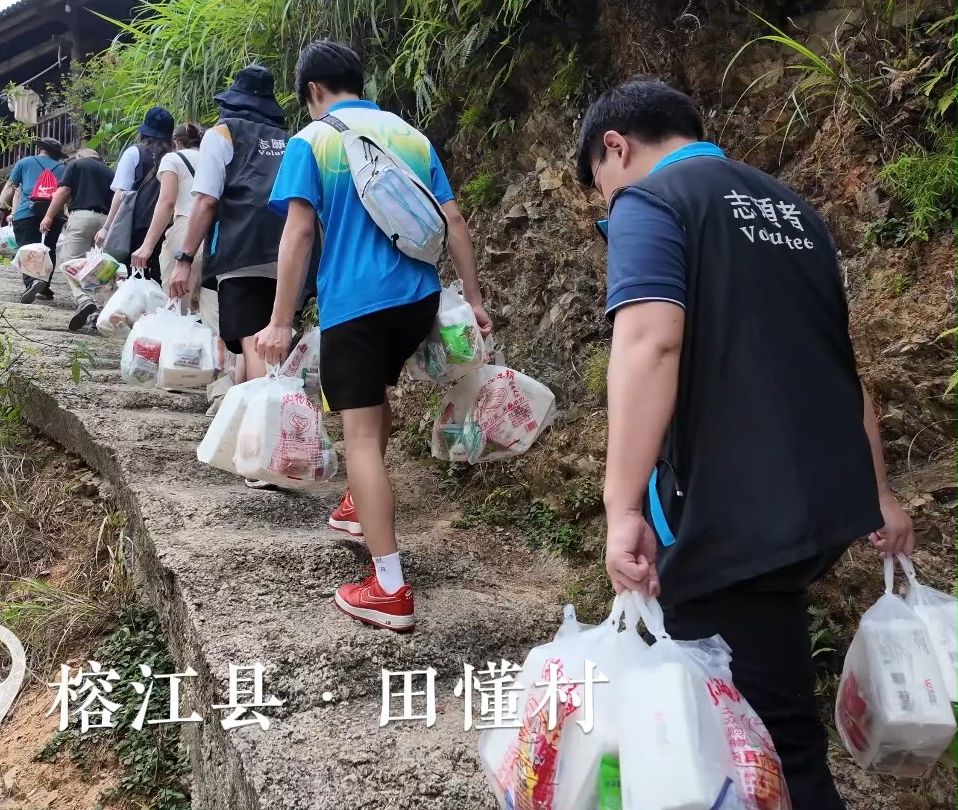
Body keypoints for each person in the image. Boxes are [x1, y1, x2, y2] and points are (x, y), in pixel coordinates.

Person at [575, 78, 915, 809]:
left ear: (616, 147)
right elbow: (838, 362)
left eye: (601, 191)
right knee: (771, 710)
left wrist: (620, 505)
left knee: (742, 741)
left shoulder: (653, 201)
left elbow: (649, 342)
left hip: (728, 509)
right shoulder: (796, 212)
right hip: (812, 505)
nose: (608, 207)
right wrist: (879, 491)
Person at [254, 41, 492, 633]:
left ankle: (388, 587)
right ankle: (364, 503)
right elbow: (454, 220)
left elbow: (300, 233)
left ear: (311, 90)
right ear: (359, 81)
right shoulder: (409, 135)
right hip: (417, 301)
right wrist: (476, 299)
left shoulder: (312, 140)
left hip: (355, 304)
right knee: (374, 407)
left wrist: (281, 320)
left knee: (358, 433)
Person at [170, 66, 315, 456]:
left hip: (243, 247)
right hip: (294, 251)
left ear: (233, 99)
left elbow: (206, 200)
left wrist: (185, 258)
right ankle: (259, 440)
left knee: (255, 344)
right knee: (274, 343)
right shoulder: (291, 140)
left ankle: (266, 452)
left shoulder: (223, 134)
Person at [94, 106, 175, 283]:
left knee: (136, 274)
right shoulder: (176, 156)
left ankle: (137, 309)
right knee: (160, 276)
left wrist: (107, 227)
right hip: (169, 225)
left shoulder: (134, 153)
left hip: (138, 224)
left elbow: (122, 193)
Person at [39, 147, 116, 331]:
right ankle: (98, 311)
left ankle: (83, 300)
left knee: (71, 263)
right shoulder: (111, 171)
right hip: (107, 222)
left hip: (81, 217)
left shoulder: (76, 165)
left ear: (81, 155)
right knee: (99, 270)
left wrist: (49, 216)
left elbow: (64, 190)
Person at [133, 123, 205, 313]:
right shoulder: (213, 159)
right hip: (215, 235)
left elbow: (167, 202)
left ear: (176, 143)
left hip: (185, 230)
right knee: (204, 309)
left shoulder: (173, 159)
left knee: (175, 304)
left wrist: (146, 246)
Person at [0, 137, 66, 303]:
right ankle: (45, 286)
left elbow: (10, 187)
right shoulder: (63, 168)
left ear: (41, 149)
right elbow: (66, 192)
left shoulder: (25, 162)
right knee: (48, 249)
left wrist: (0, 208)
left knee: (27, 248)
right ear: (57, 154)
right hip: (53, 215)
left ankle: (32, 281)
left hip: (26, 213)